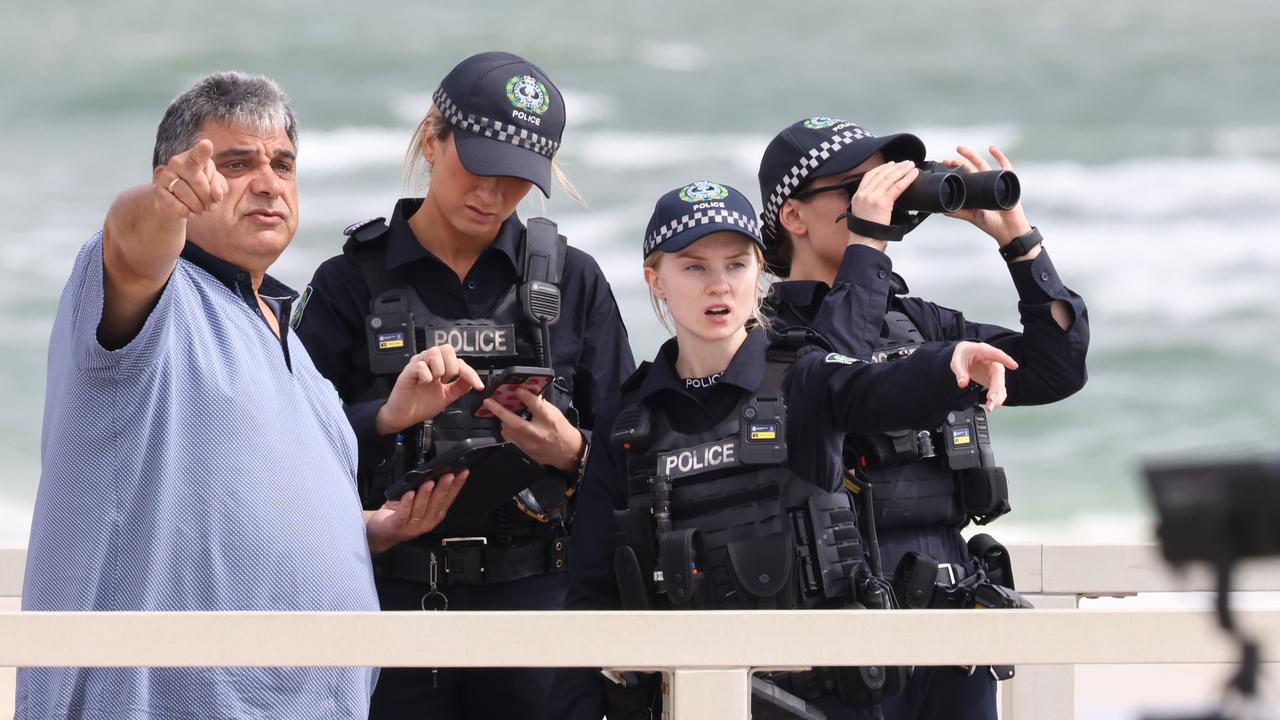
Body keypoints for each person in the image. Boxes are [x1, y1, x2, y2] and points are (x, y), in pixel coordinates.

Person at [16, 71, 479, 720]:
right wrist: (159, 204)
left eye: (283, 164)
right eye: (235, 164)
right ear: (176, 174)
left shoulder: (290, 344)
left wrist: (367, 530)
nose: (268, 182)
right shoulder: (159, 294)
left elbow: (245, 512)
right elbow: (130, 242)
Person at [549, 180, 1021, 720]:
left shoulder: (805, 379)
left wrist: (949, 364)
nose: (718, 286)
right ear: (655, 280)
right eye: (694, 267)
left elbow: (875, 386)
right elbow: (591, 595)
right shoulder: (627, 423)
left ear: (759, 273)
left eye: (736, 265)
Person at [294, 51, 635, 719]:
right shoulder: (347, 284)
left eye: (516, 180)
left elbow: (636, 457)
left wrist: (574, 453)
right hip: (389, 606)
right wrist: (385, 419)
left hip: (540, 613)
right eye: (478, 166)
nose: (493, 195)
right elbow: (287, 460)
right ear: (432, 138)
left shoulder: (574, 282)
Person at [757, 116, 1090, 720]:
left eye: (886, 183)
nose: (878, 197)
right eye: (856, 187)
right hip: (839, 629)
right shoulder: (765, 340)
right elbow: (836, 372)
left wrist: (1017, 241)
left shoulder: (918, 323)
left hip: (950, 615)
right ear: (794, 217)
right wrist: (866, 244)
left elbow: (1055, 369)